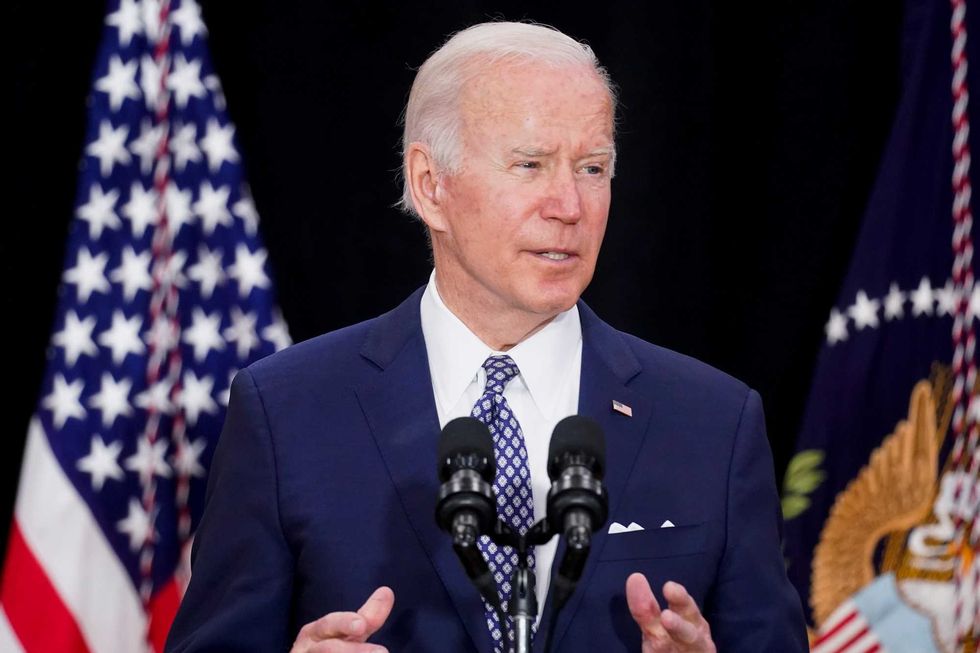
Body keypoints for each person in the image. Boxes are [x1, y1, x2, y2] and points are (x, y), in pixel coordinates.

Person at [165, 21, 807, 653]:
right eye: (529, 165)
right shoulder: (286, 413)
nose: (568, 206)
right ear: (430, 186)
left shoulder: (713, 423)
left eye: (591, 168)